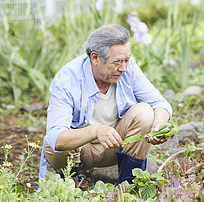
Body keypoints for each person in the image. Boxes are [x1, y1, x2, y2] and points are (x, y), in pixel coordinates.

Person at [38, 24, 172, 187]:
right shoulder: (68, 79)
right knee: (54, 144)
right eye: (116, 62)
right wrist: (95, 131)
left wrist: (158, 125)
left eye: (127, 60)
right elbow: (55, 138)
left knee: (145, 113)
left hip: (116, 146)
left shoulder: (128, 69)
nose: (123, 68)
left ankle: (129, 184)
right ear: (95, 58)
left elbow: (159, 104)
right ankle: (73, 180)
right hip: (80, 151)